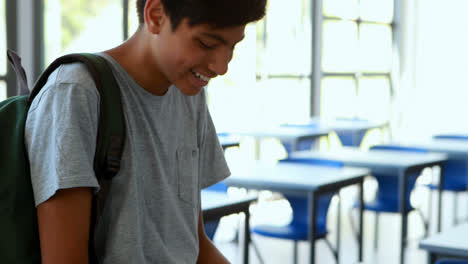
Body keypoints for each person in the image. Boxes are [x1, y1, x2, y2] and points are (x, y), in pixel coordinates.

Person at [24, 0, 266, 263]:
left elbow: (194, 245)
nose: (222, 67)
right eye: (207, 44)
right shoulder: (76, 93)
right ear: (156, 15)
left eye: (233, 46)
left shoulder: (189, 95)